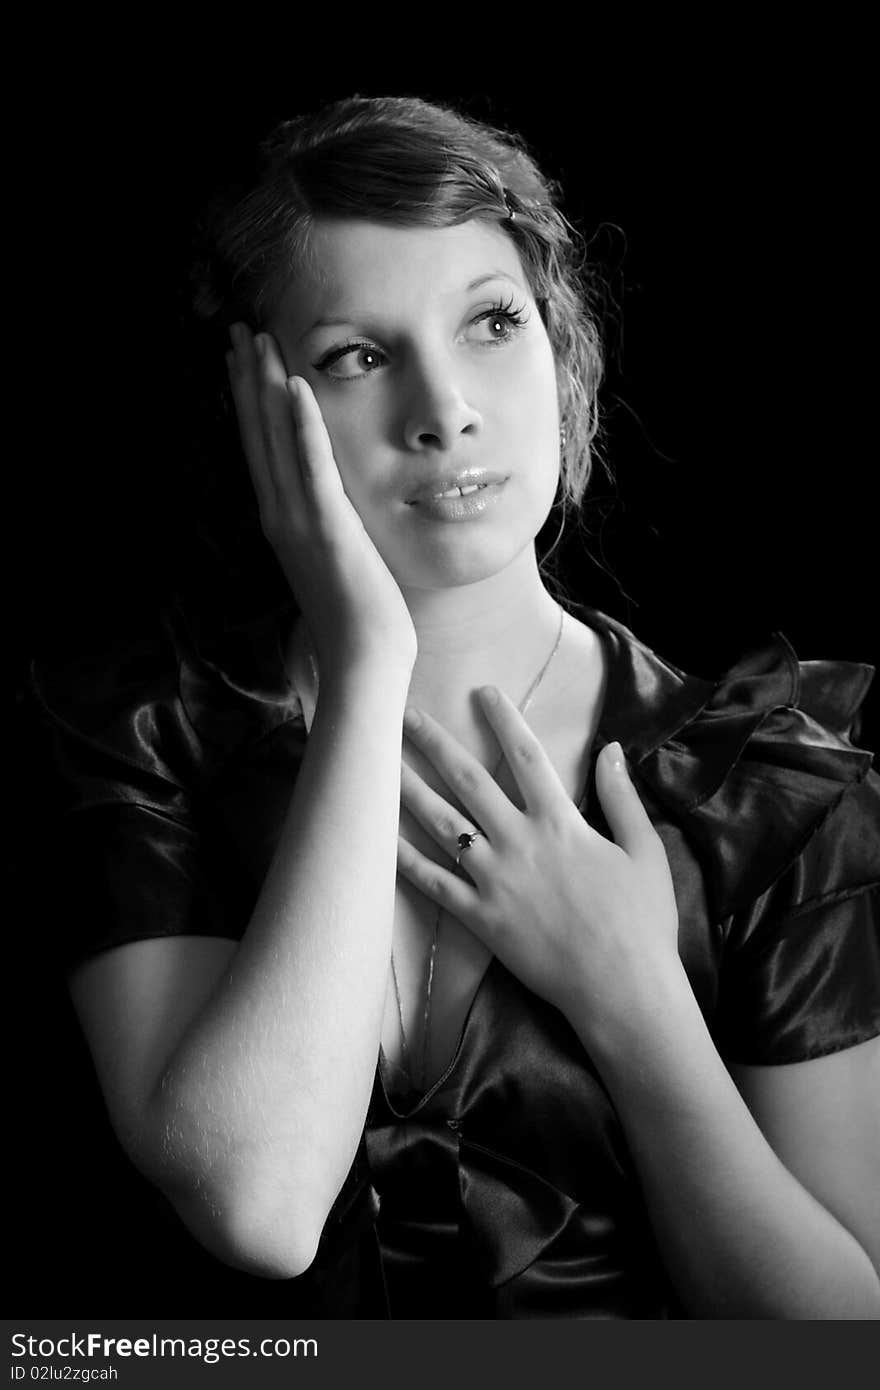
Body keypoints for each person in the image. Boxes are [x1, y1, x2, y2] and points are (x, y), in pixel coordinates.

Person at [28, 94, 879, 1319]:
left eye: (490, 322)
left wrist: (630, 992)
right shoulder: (147, 736)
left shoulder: (763, 786)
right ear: (262, 406)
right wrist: (368, 657)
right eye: (356, 356)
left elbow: (838, 1333)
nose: (446, 410)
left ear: (559, 339)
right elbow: (255, 1206)